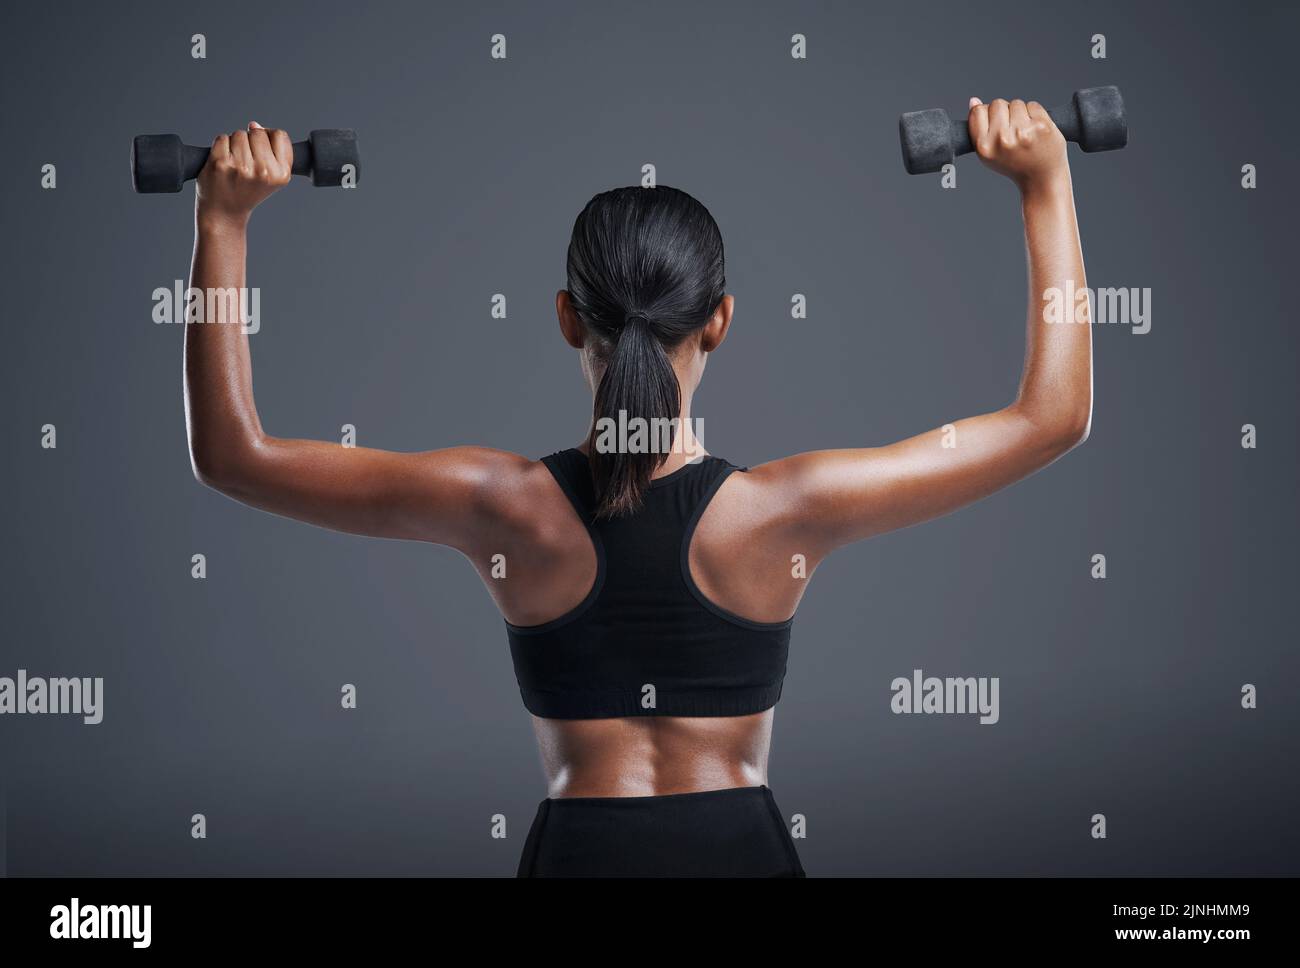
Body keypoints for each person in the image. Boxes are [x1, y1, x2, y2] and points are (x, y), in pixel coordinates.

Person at [183, 98, 1092, 877]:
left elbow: (235, 456)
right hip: (742, 849)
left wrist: (222, 223)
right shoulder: (787, 512)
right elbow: (1050, 419)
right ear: (722, 322)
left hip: (580, 853)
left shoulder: (499, 505)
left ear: (567, 318)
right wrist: (1046, 184)